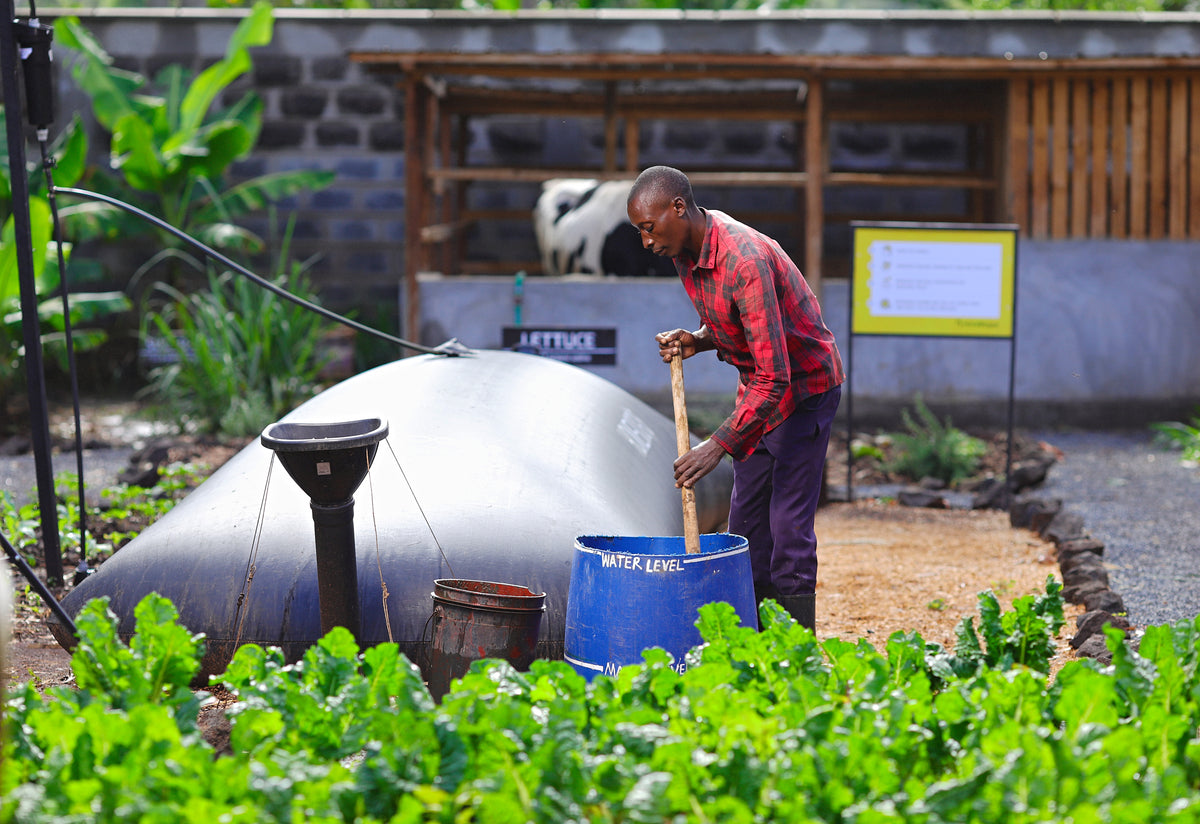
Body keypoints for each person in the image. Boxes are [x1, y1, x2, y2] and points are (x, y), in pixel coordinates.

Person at [626, 165, 845, 632]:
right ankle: (751, 640)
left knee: (787, 528)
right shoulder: (685, 252)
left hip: (803, 391)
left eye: (649, 228)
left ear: (678, 208)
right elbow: (741, 328)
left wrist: (716, 446)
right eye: (639, 232)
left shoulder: (744, 259)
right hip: (761, 393)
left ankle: (792, 651)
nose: (646, 242)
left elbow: (777, 375)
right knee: (744, 528)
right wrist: (698, 340)